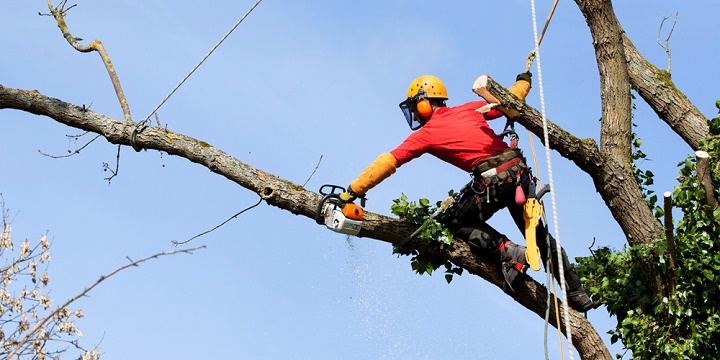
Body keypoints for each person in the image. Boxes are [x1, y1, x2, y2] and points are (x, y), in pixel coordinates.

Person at [341, 73, 594, 312]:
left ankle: (509, 251)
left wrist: (353, 190)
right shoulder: (469, 108)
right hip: (519, 175)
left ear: (423, 104)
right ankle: (577, 292)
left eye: (415, 109)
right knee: (539, 237)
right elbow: (510, 98)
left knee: (455, 222)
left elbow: (388, 161)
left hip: (495, 183)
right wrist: (523, 81)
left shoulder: (426, 135)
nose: (416, 118)